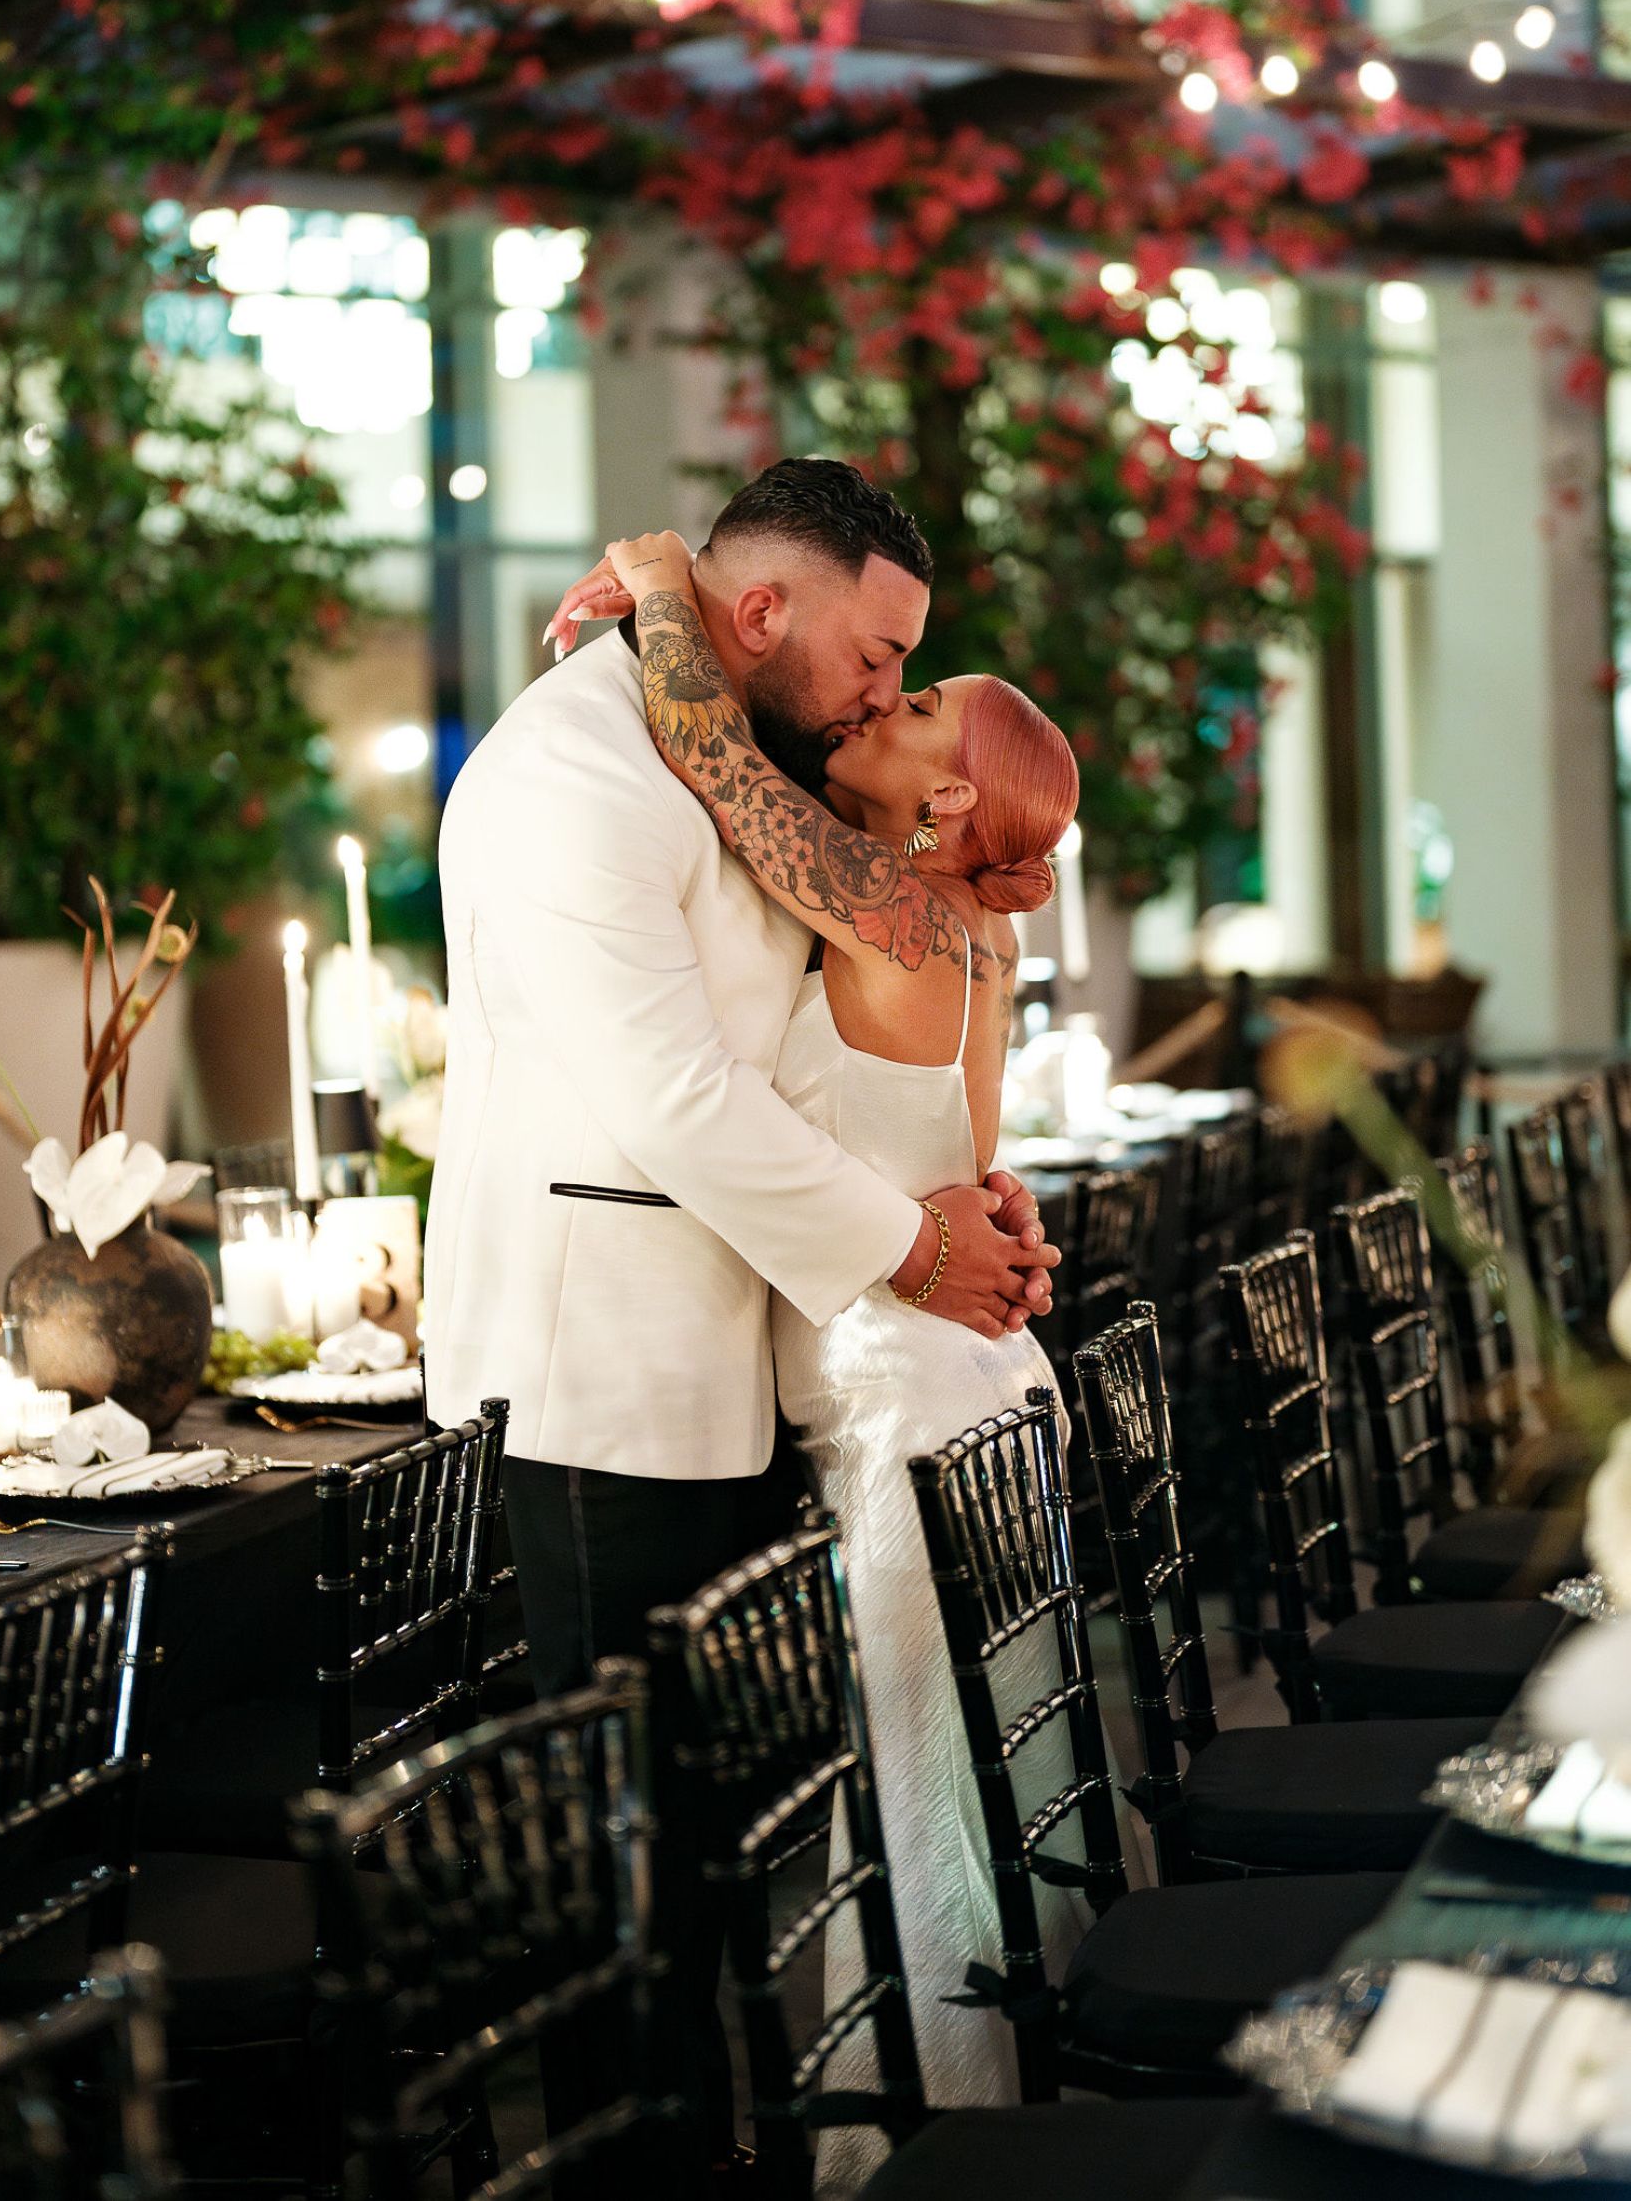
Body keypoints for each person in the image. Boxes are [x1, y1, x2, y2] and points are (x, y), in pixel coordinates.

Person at [423, 458, 1058, 2189]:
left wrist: (952, 1202)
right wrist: (914, 1241)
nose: (879, 693)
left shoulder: (739, 742)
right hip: (603, 1379)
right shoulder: (571, 769)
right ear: (764, 610)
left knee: (712, 1849)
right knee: (629, 1870)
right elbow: (675, 1094)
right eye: (879, 657)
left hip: (750, 1363)